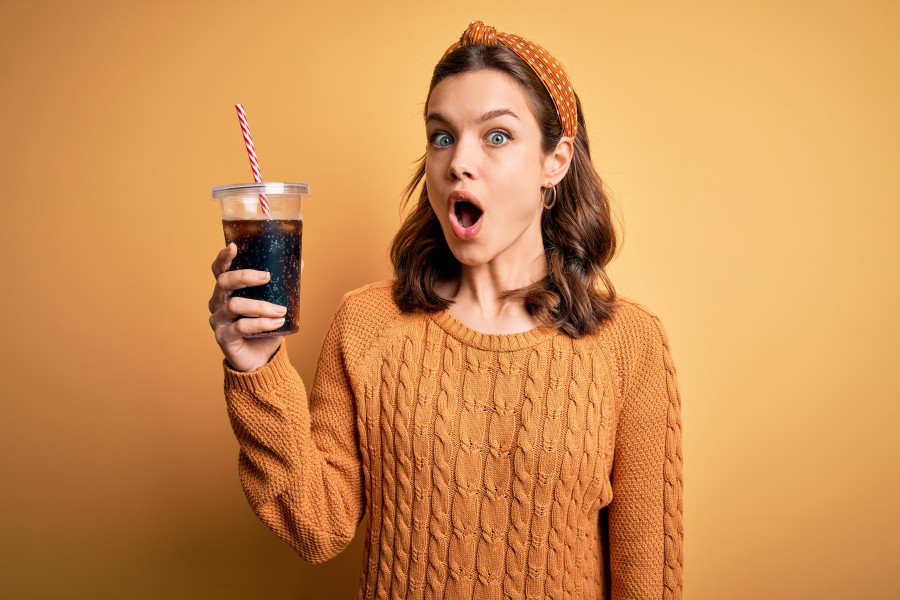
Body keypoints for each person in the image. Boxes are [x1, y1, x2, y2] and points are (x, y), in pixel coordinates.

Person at [208, 20, 683, 600]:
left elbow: (646, 579)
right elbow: (317, 526)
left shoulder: (629, 346)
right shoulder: (368, 324)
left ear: (554, 162)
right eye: (441, 136)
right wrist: (257, 367)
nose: (459, 161)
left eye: (497, 136)